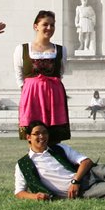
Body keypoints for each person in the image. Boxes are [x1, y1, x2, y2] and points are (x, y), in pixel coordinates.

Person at [14, 121, 105, 200]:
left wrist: (75, 181)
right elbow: (19, 192)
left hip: (90, 173)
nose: (42, 136)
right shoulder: (23, 164)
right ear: (28, 137)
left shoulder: (58, 148)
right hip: (83, 192)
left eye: (44, 133)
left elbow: (86, 162)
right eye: (37, 134)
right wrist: (35, 196)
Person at [14, 10, 70, 142]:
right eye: (45, 24)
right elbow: (19, 77)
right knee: (35, 135)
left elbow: (60, 73)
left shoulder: (61, 50)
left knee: (54, 138)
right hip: (32, 96)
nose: (49, 28)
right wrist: (31, 89)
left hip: (53, 95)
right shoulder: (22, 49)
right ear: (36, 26)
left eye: (52, 25)